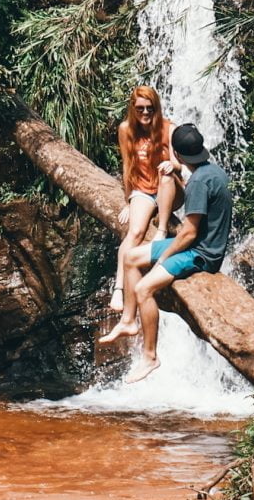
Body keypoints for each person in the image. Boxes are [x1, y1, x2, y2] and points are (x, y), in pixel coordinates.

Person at [98, 123, 233, 383]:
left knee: (143, 289)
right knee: (130, 257)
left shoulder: (198, 185)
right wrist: (177, 169)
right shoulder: (212, 171)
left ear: (178, 154)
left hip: (201, 254)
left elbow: (189, 233)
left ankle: (150, 356)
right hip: (197, 244)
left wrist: (163, 257)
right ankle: (128, 320)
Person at [109, 87, 181, 315]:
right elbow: (126, 165)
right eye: (140, 108)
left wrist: (172, 165)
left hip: (171, 189)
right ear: (132, 108)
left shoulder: (169, 129)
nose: (146, 112)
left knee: (167, 174)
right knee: (135, 233)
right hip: (143, 190)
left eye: (150, 108)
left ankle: (161, 230)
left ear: (157, 107)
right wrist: (128, 202)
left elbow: (181, 164)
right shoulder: (125, 130)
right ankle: (119, 288)